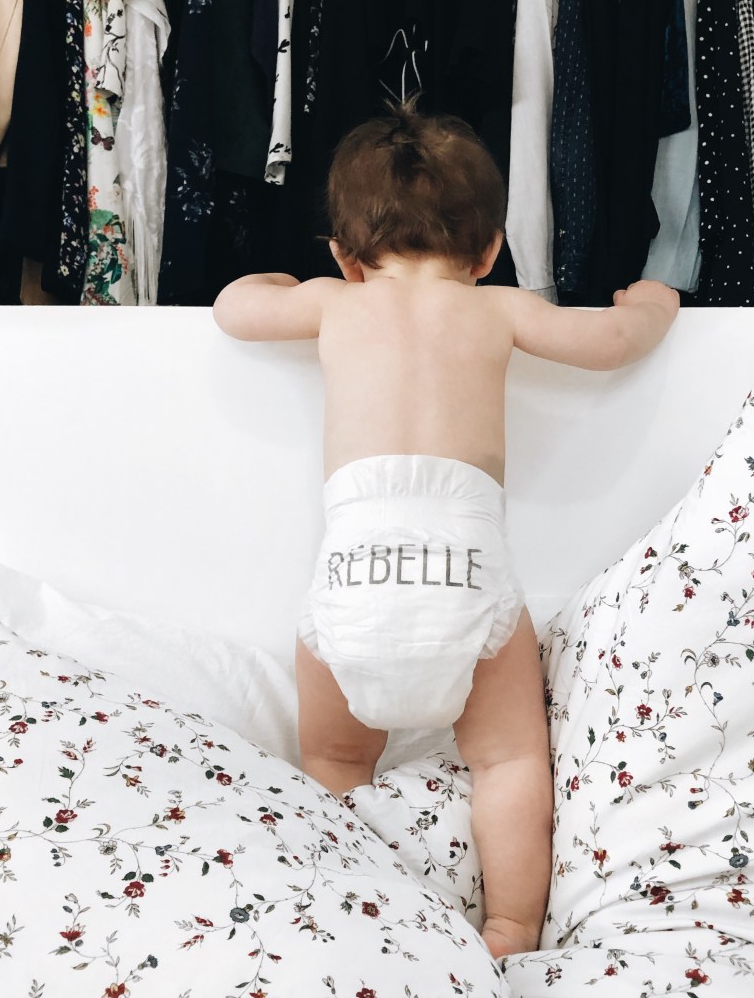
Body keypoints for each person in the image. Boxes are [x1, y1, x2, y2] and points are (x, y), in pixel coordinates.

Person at [213, 101, 679, 959]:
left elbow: (233, 307)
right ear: (490, 251)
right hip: (467, 580)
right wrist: (653, 301)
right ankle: (510, 930)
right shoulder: (499, 309)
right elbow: (614, 340)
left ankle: (342, 919)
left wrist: (291, 284)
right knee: (508, 763)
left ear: (346, 256)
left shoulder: (333, 303)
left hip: (351, 587)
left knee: (335, 764)